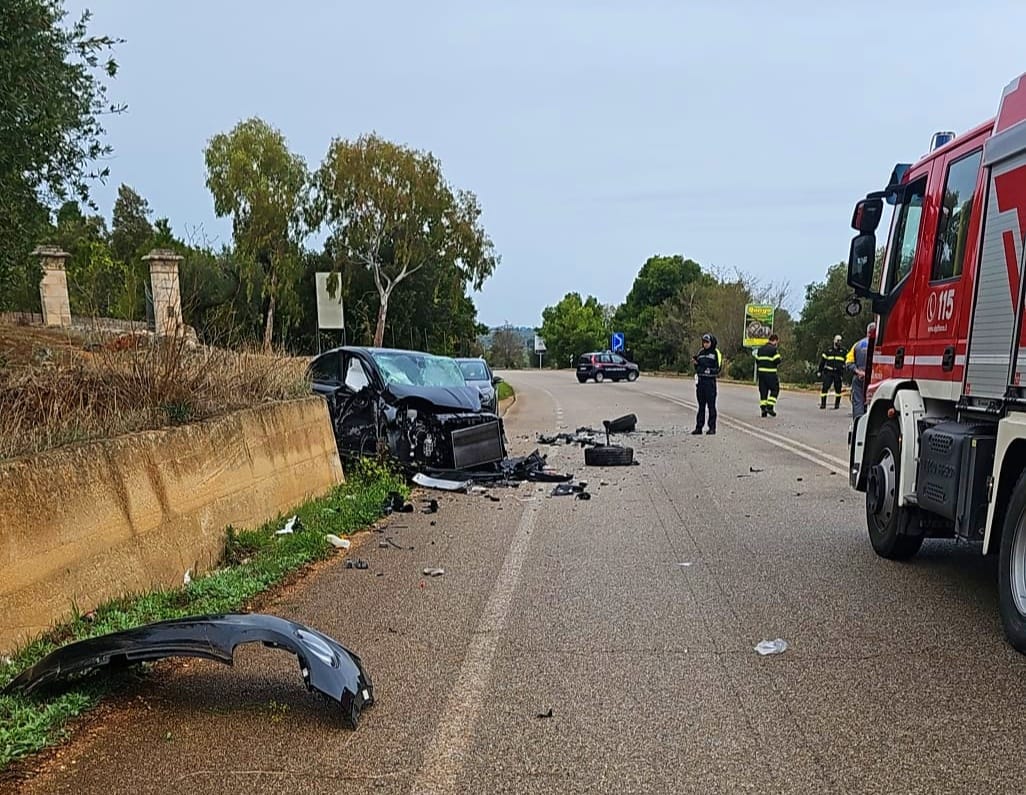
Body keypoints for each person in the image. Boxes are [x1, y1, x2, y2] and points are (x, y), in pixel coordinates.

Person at [692, 333, 722, 435]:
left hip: (710, 382)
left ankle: (712, 427)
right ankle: (699, 427)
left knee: (711, 406)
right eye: (704, 342)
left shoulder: (715, 353)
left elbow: (718, 368)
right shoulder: (700, 353)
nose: (705, 344)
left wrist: (710, 371)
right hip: (701, 382)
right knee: (701, 406)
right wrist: (696, 364)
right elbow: (698, 367)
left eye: (707, 342)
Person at [846, 322, 876, 418]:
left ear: (867, 332)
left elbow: (848, 363)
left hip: (860, 378)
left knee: (858, 403)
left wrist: (858, 371)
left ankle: (858, 426)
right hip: (877, 379)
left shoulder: (857, 345)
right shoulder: (883, 344)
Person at [755, 333, 781, 417]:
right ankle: (769, 407)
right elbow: (777, 360)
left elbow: (757, 361)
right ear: (775, 341)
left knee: (763, 392)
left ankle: (763, 410)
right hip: (771, 374)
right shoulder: (773, 349)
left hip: (761, 375)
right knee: (775, 390)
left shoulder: (760, 349)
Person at [818, 335, 846, 410]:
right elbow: (822, 362)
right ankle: (823, 404)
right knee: (825, 387)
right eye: (838, 340)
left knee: (838, 389)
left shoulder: (843, 351)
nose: (839, 342)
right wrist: (819, 371)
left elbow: (847, 362)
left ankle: (837, 405)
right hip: (829, 372)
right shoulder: (828, 351)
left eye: (840, 341)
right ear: (834, 341)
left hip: (838, 372)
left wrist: (844, 372)